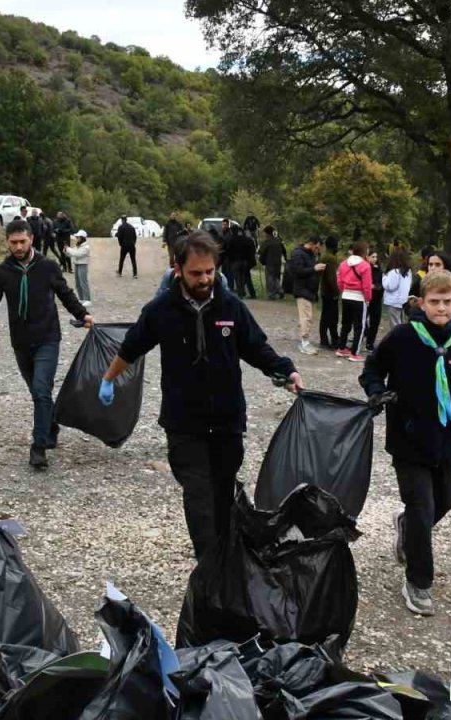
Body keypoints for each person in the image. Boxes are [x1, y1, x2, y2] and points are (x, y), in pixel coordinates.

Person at [98, 231, 302, 558]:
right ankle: (208, 566)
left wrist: (284, 370)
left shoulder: (231, 306)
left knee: (222, 491)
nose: (205, 278)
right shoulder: (160, 310)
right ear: (177, 269)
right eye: (196, 273)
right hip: (183, 422)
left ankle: (224, 554)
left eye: (210, 271)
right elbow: (132, 347)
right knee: (198, 494)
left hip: (227, 419)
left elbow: (255, 347)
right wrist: (108, 378)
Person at [360, 269, 451, 616]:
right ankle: (418, 582)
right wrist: (377, 391)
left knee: (447, 497)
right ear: (421, 302)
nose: (441, 308)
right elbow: (371, 370)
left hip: (445, 439)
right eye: (434, 302)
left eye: (448, 301)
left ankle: (408, 527)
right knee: (422, 507)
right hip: (409, 438)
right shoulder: (402, 337)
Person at [0, 218, 93, 470]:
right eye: (13, 242)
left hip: (48, 338)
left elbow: (65, 293)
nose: (18, 247)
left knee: (41, 389)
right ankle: (50, 425)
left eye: (22, 242)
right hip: (20, 342)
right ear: (7, 242)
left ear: (31, 239)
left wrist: (82, 315)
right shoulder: (1, 272)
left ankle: (38, 447)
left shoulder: (47, 266)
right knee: (36, 392)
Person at [336, 240, 374, 362]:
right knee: (360, 326)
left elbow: (339, 281)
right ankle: (354, 353)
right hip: (359, 297)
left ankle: (341, 348)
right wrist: (368, 299)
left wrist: (344, 291)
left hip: (346, 295)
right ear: (364, 251)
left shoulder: (343, 264)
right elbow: (367, 286)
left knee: (345, 323)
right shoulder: (365, 265)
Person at [287, 236, 325, 355]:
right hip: (302, 290)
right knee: (306, 317)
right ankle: (304, 342)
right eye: (317, 247)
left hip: (310, 290)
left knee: (308, 317)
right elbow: (298, 272)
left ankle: (305, 340)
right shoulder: (298, 254)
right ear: (312, 244)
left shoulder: (311, 254)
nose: (317, 250)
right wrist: (314, 268)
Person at [381, 248, 412, 332]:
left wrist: (384, 277)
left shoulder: (394, 272)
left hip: (393, 301)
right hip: (403, 300)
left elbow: (389, 286)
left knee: (395, 324)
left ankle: (397, 341)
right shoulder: (407, 272)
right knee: (401, 322)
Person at [318, 236, 341, 348]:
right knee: (333, 317)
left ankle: (324, 339)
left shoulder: (324, 255)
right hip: (330, 292)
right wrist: (337, 292)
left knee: (325, 316)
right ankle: (334, 340)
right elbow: (331, 278)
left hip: (324, 291)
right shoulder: (331, 258)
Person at [258, 225, 286, 300]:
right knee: (276, 277)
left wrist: (261, 261)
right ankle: (280, 290)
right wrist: (285, 258)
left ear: (267, 233)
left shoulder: (266, 242)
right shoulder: (278, 241)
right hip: (278, 262)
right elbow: (284, 251)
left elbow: (262, 252)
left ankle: (271, 294)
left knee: (270, 278)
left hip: (269, 262)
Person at [365, 249, 385, 350]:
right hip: (366, 298)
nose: (375, 259)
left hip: (377, 298)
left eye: (376, 257)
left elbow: (382, 284)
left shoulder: (379, 269)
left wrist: (376, 287)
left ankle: (370, 342)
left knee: (375, 321)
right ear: (367, 257)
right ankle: (364, 334)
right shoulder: (364, 268)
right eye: (372, 257)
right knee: (362, 319)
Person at [66, 229, 92, 306]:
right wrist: (66, 251)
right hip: (77, 264)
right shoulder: (78, 246)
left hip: (82, 265)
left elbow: (77, 254)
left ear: (82, 238)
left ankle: (87, 299)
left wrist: (68, 249)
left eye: (78, 237)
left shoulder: (86, 247)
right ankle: (81, 298)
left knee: (83, 282)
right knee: (78, 283)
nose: (77, 238)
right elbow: (71, 254)